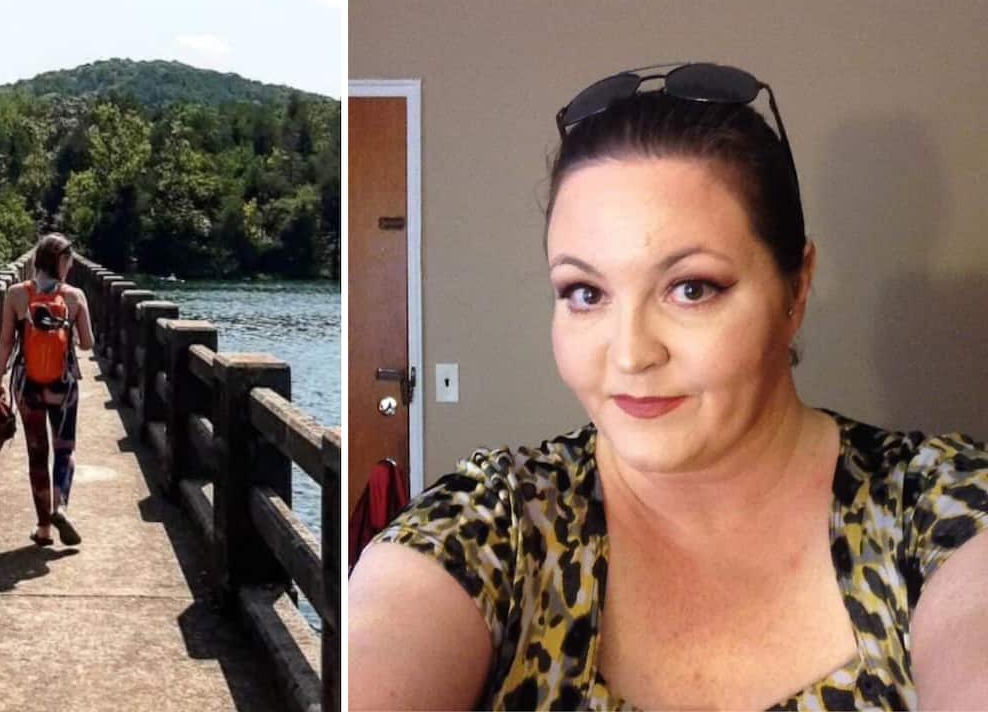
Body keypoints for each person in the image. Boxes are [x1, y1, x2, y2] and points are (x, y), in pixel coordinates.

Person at [347, 63, 988, 710]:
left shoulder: (932, 505)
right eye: (584, 292)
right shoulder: (496, 525)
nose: (629, 353)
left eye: (691, 288)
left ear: (797, 289)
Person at [0, 233, 95, 547]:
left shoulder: (16, 295)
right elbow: (88, 344)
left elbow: (5, 344)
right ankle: (60, 505)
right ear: (61, 261)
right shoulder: (75, 297)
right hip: (63, 385)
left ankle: (43, 528)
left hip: (27, 385)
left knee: (37, 455)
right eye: (69, 261)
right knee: (65, 449)